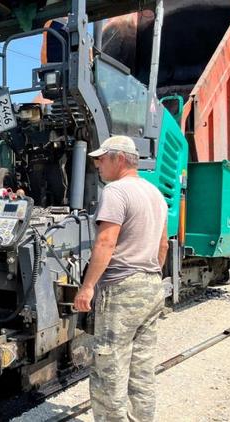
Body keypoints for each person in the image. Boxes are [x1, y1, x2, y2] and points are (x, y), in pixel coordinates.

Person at [72, 135, 168, 422]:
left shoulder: (116, 192)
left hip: (122, 290)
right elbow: (163, 245)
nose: (98, 164)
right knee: (141, 369)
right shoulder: (156, 195)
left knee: (108, 370)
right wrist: (149, 275)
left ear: (120, 159)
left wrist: (87, 287)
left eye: (102, 158)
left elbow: (105, 243)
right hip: (151, 284)